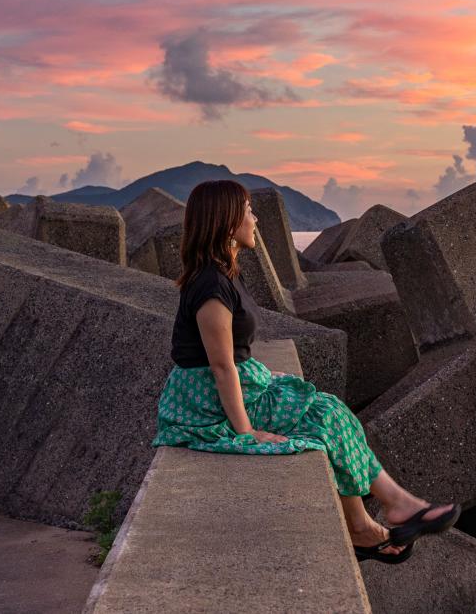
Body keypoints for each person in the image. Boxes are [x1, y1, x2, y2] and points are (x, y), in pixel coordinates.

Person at [152, 179, 459, 562]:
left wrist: (264, 377)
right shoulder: (211, 284)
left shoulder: (224, 273)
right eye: (248, 211)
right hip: (203, 402)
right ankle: (375, 520)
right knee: (324, 416)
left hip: (227, 386)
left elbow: (233, 355)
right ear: (228, 222)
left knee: (328, 408)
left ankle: (385, 511)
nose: (255, 219)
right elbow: (219, 365)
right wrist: (246, 433)